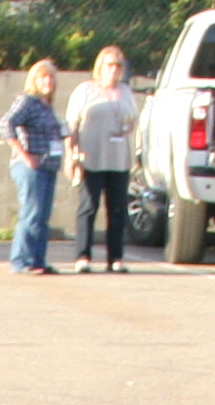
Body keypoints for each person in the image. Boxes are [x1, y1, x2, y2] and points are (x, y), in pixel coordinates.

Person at [62, 46, 139, 273]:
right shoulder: (85, 90)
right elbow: (71, 125)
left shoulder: (125, 91)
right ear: (100, 67)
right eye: (109, 65)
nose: (113, 70)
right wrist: (71, 155)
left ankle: (115, 258)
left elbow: (133, 120)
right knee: (88, 207)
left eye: (118, 66)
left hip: (118, 159)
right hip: (91, 157)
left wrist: (127, 126)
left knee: (117, 209)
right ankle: (82, 256)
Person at [0, 59, 64, 277]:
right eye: (43, 77)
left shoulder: (46, 106)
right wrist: (24, 154)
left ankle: (38, 260)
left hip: (48, 166)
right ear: (34, 80)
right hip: (30, 168)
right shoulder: (27, 101)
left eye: (51, 77)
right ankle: (21, 261)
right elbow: (5, 124)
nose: (48, 81)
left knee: (43, 216)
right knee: (31, 213)